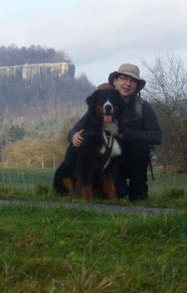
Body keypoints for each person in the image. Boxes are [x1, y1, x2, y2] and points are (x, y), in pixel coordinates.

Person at [67, 63, 162, 201]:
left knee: (140, 145)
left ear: (136, 86)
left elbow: (157, 136)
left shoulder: (142, 106)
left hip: (131, 159)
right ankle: (91, 190)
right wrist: (73, 136)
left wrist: (124, 135)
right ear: (115, 81)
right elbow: (78, 128)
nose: (128, 84)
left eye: (133, 81)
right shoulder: (101, 103)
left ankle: (139, 195)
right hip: (108, 161)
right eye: (124, 78)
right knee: (117, 192)